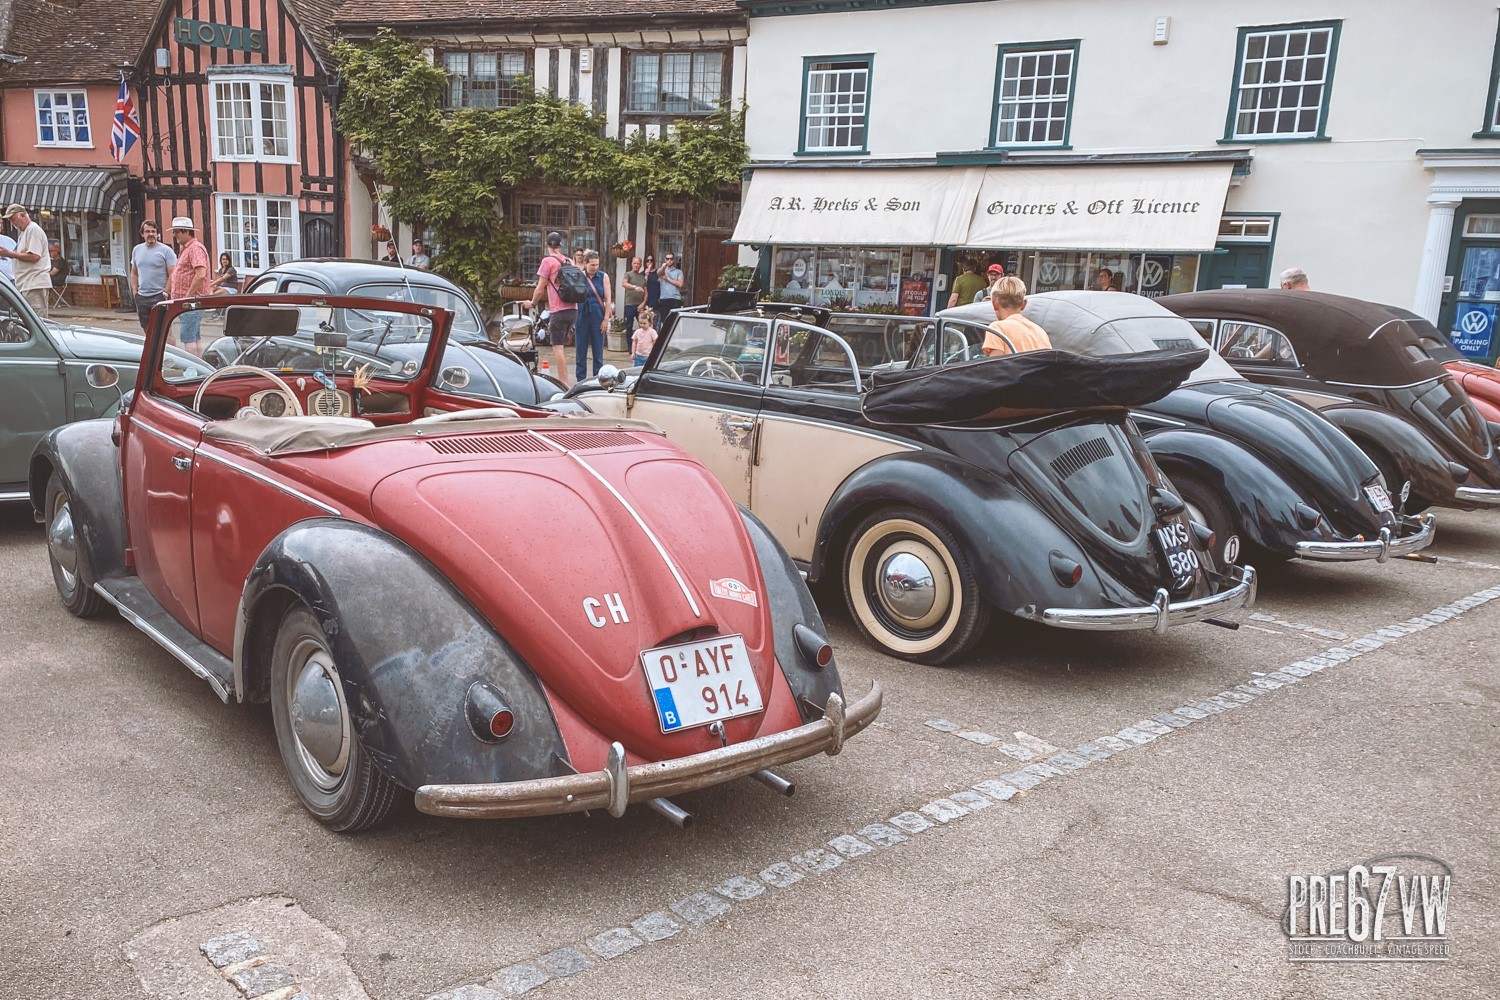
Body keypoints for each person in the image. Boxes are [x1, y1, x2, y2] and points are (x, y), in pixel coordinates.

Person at [529, 231, 574, 385]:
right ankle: (565, 381)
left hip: (558, 310)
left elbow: (540, 288)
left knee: (558, 347)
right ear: (560, 245)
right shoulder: (569, 261)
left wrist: (532, 303)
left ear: (546, 244)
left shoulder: (548, 261)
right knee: (563, 346)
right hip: (573, 309)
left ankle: (564, 384)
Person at [167, 216, 210, 356]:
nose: (174, 235)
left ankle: (193, 369)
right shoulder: (187, 248)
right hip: (191, 302)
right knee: (194, 337)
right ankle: (199, 367)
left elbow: (201, 274)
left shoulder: (194, 248)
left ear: (186, 231)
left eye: (176, 232)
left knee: (188, 338)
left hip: (191, 302)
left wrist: (188, 296)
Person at [1, 204, 51, 315]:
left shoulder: (33, 229)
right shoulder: (24, 232)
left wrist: (9, 254)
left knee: (37, 319)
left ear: (23, 215)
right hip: (26, 284)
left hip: (34, 283)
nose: (13, 223)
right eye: (10, 220)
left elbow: (35, 256)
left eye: (14, 219)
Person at [983, 277, 1052, 356]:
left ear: (994, 304)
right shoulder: (1040, 332)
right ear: (1024, 304)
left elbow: (994, 366)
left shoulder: (997, 329)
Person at [573, 249, 612, 382]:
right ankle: (580, 382)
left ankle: (598, 381)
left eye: (597, 264)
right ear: (585, 263)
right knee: (580, 353)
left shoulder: (603, 276)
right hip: (581, 316)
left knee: (598, 354)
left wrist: (606, 320)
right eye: (592, 265)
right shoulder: (578, 276)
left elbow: (608, 299)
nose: (595, 267)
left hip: (598, 316)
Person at [130, 220, 176, 331]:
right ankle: (152, 349)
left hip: (159, 296)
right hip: (142, 297)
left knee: (164, 331)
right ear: (142, 234)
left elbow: (173, 274)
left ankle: (168, 349)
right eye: (147, 231)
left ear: (157, 233)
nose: (151, 234)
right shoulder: (137, 250)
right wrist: (135, 293)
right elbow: (134, 273)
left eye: (153, 231)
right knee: (147, 330)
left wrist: (165, 293)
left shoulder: (166, 251)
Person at [658, 251, 684, 328]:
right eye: (667, 259)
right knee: (664, 322)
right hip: (664, 298)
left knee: (675, 322)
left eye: (671, 259)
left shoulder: (678, 271)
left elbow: (680, 284)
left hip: (675, 299)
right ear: (664, 259)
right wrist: (663, 267)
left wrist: (667, 279)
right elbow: (659, 272)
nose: (669, 260)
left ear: (674, 260)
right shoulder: (663, 270)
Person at [622, 256, 647, 331]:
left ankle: (643, 341)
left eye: (638, 263)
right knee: (629, 325)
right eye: (634, 263)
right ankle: (629, 342)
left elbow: (646, 293)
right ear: (632, 264)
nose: (636, 265)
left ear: (641, 265)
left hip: (640, 306)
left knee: (643, 324)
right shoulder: (628, 274)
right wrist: (634, 287)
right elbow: (624, 284)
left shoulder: (643, 278)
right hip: (629, 304)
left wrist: (643, 303)